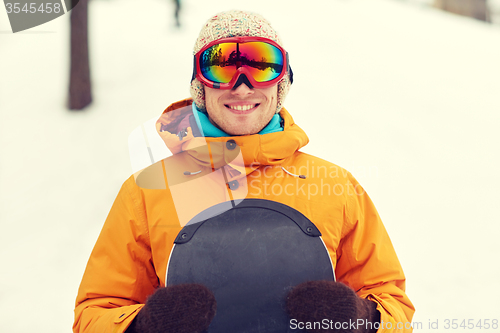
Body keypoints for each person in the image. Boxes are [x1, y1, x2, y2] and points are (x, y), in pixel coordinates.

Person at [73, 10, 415, 333]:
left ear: (281, 84)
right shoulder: (148, 191)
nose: (241, 86)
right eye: (221, 68)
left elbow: (393, 304)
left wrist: (361, 318)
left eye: (261, 66)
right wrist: (144, 325)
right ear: (200, 85)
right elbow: (94, 314)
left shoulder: (335, 186)